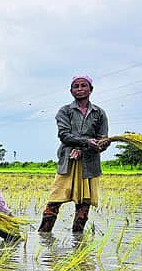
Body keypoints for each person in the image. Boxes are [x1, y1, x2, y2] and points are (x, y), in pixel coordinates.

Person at [38, 75, 110, 233]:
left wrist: (102, 143)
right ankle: (43, 236)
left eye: (83, 86)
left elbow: (101, 139)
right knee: (54, 201)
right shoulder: (65, 111)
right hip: (68, 162)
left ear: (90, 89)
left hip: (89, 164)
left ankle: (78, 241)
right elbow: (64, 135)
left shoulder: (99, 113)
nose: (80, 89)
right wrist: (84, 142)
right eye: (76, 86)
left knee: (84, 206)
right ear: (71, 91)